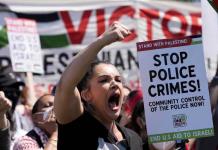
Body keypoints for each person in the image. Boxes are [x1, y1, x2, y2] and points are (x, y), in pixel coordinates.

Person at [54, 22, 143, 149]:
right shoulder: (76, 127)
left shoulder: (134, 139)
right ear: (86, 95)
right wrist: (101, 41)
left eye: (118, 80)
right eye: (104, 80)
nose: (114, 84)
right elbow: (65, 85)